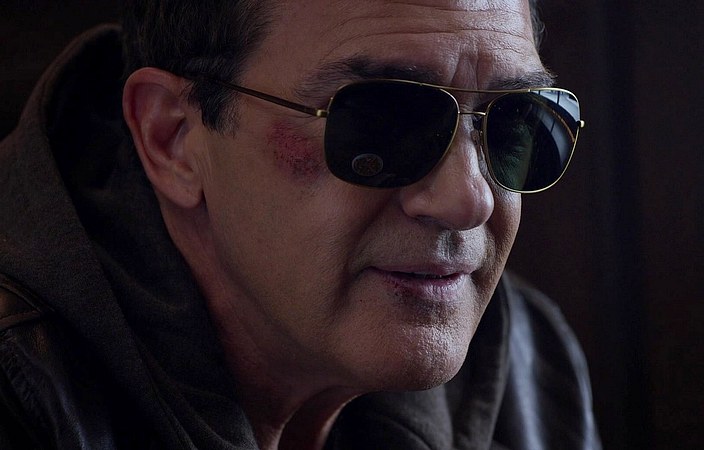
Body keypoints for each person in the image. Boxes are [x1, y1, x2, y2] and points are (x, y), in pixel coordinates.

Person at [0, 0, 599, 448]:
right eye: (380, 120)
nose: (470, 201)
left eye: (516, 121)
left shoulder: (525, 362)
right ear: (173, 139)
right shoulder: (23, 389)